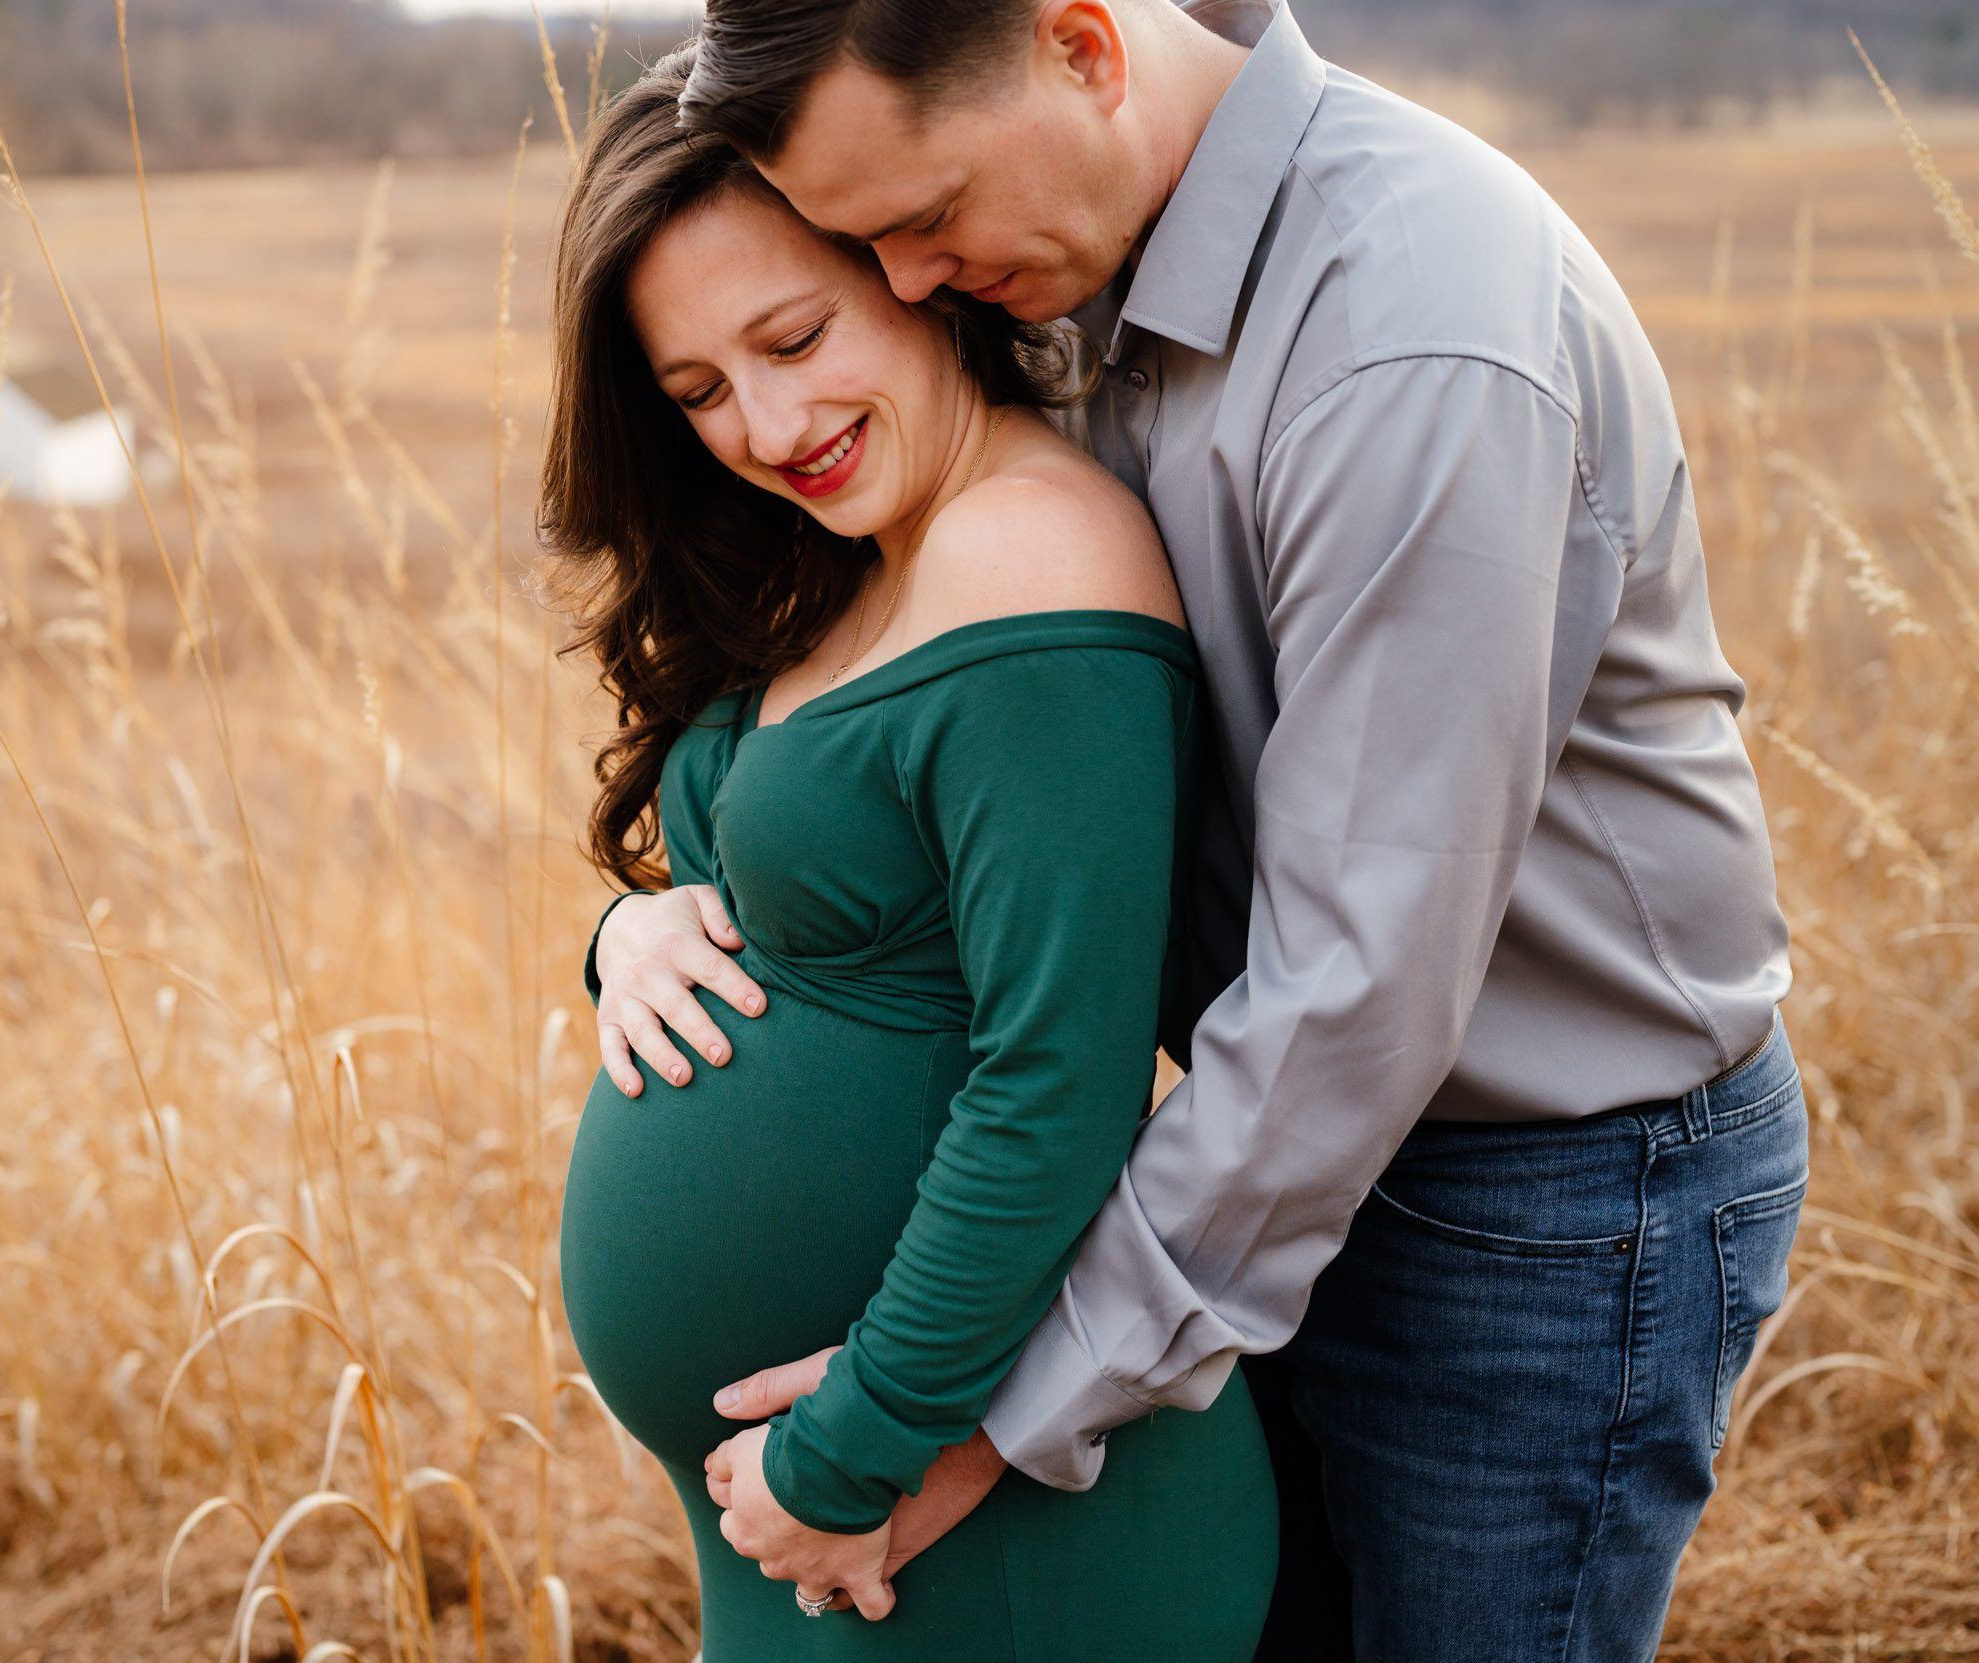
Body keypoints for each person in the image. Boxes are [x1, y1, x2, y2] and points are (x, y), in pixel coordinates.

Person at [584, 2, 1808, 1658]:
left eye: (924, 223)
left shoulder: (1408, 330)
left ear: (1084, 46)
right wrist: (648, 921)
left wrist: (991, 1415)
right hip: (1250, 1165)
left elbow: (1358, 986)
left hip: (1543, 1193)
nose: (916, 284)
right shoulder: (1073, 264)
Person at [543, 51, 1279, 1663]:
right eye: (699, 392)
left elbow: (1055, 1083)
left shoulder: (1031, 555)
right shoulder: (856, 554)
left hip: (968, 1517)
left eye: (795, 339)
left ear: (906, 271)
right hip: (817, 1517)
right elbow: (799, 893)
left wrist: (856, 1443)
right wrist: (639, 935)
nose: (769, 424)